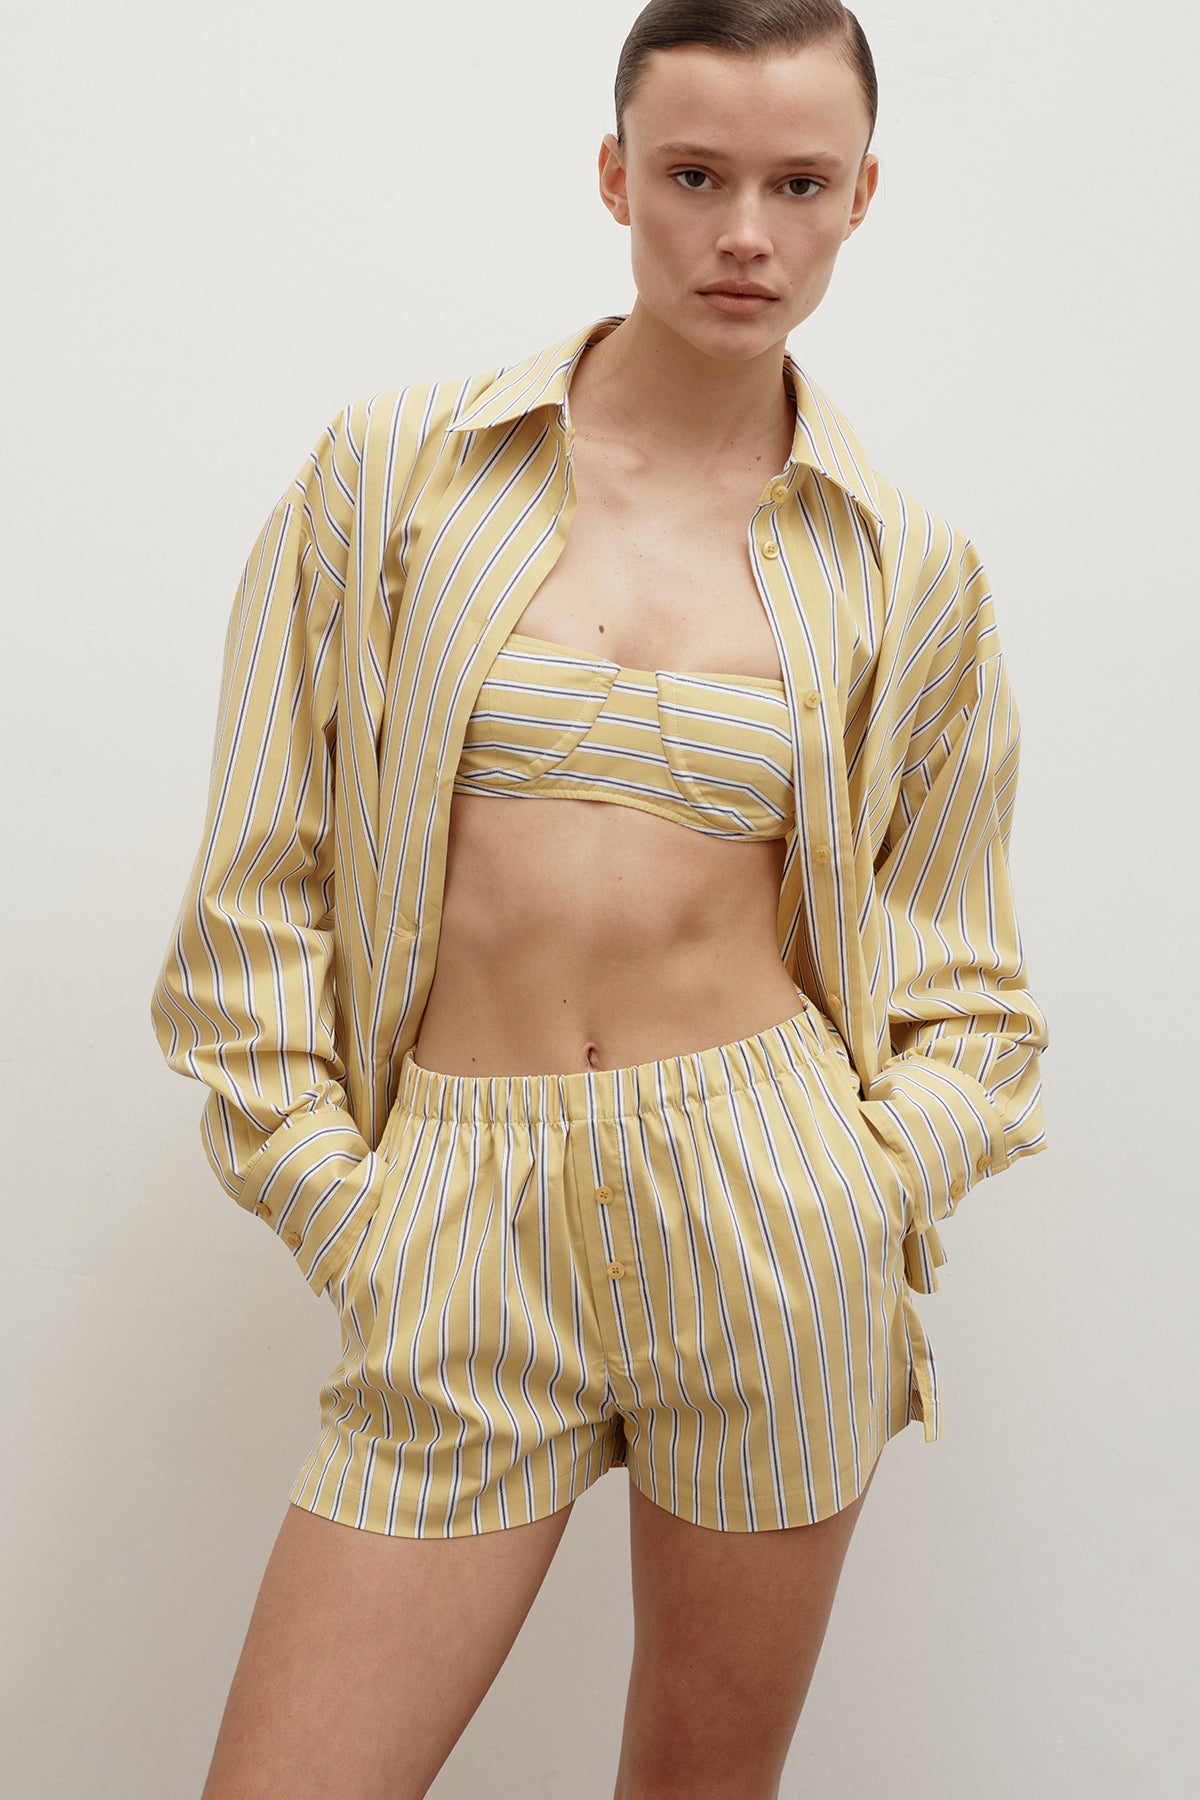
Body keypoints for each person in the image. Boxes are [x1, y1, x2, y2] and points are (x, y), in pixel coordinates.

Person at [151, 2, 1048, 1795]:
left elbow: (972, 991)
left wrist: (861, 1189)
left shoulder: (907, 569)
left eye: (799, 185)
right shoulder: (394, 475)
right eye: (696, 175)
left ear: (863, 195)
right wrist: (350, 1207)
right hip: (459, 1211)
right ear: (615, 175)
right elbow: (256, 890)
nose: (746, 234)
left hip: (770, 1216)